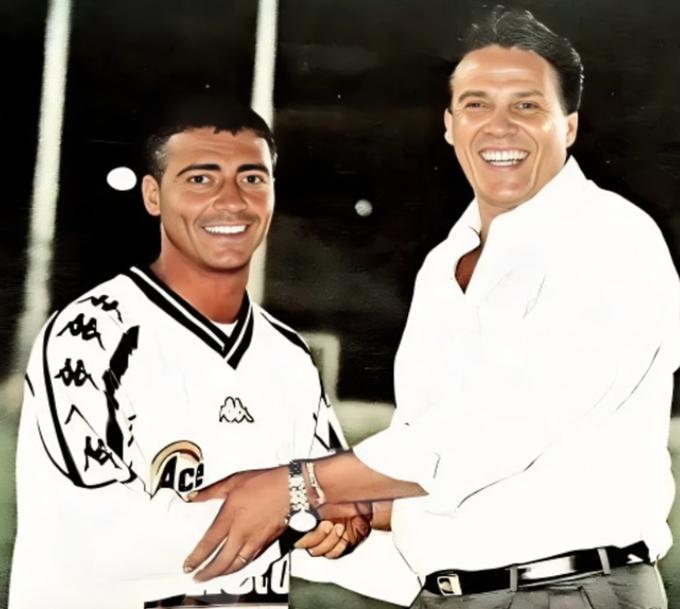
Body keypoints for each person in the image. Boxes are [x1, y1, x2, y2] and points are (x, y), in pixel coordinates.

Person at [181, 8, 680, 609]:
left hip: (569, 591)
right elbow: (451, 467)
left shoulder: (609, 238)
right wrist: (354, 507)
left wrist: (299, 485)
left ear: (568, 126)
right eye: (476, 104)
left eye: (526, 106)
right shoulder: (446, 263)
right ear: (450, 124)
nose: (499, 127)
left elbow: (496, 432)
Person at [8, 98, 372, 609]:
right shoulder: (92, 334)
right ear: (152, 195)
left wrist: (338, 521)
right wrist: (296, 506)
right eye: (201, 179)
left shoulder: (288, 355)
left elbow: (334, 512)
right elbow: (98, 533)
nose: (232, 201)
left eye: (252, 178)